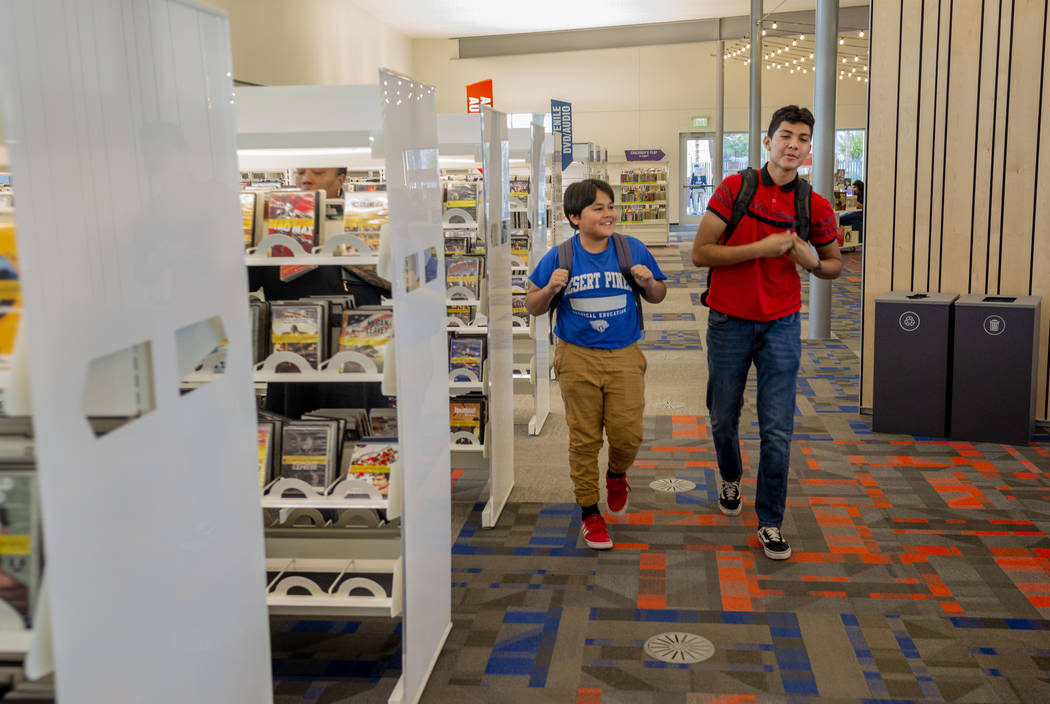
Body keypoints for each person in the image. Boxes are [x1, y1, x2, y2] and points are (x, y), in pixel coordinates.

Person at [690, 105, 842, 560]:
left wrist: (808, 260)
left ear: (809, 149)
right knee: (723, 415)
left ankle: (770, 521)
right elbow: (701, 253)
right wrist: (762, 247)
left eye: (801, 138)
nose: (793, 144)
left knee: (778, 429)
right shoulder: (736, 188)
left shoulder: (812, 204)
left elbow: (832, 264)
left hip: (781, 323)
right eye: (785, 135)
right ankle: (730, 474)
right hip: (729, 321)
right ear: (767, 142)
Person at [526, 179, 667, 550]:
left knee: (628, 433)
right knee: (585, 438)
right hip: (576, 356)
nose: (608, 214)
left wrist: (649, 281)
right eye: (597, 208)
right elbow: (533, 305)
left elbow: (657, 296)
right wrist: (549, 289)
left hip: (624, 353)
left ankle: (617, 474)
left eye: (610, 206)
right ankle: (590, 511)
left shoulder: (631, 248)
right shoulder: (559, 256)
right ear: (574, 217)